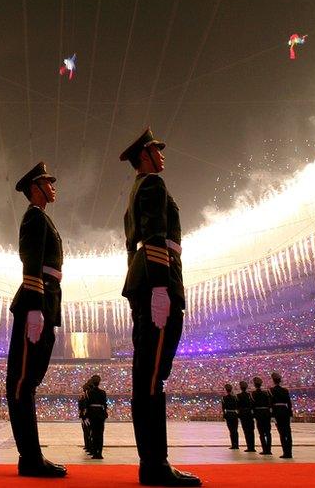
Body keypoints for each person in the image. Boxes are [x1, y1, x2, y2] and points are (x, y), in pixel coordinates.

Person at [119, 128, 200, 487]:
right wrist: (159, 288)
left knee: (148, 376)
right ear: (144, 156)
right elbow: (154, 236)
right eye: (156, 149)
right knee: (151, 377)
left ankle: (152, 462)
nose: (161, 154)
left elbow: (130, 246)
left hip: (146, 278)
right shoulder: (152, 184)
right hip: (157, 278)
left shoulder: (137, 188)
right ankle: (155, 464)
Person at [5, 162, 67, 478]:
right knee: (22, 380)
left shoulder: (43, 218)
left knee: (29, 379)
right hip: (37, 300)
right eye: (47, 182)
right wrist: (34, 308)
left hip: (45, 299)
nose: (53, 186)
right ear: (35, 188)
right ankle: (29, 457)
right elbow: (31, 262)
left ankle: (31, 455)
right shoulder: (34, 216)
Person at [270, 371, 293, 459]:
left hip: (277, 412)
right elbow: (289, 403)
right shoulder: (285, 390)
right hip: (285, 411)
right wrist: (290, 414)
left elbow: (271, 404)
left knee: (282, 433)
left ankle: (285, 452)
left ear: (273, 381)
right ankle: (289, 452)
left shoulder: (271, 390)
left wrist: (272, 416)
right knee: (288, 432)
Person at [85, 374, 108, 459]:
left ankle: (95, 453)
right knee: (100, 434)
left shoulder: (89, 393)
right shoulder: (103, 392)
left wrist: (87, 415)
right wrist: (105, 413)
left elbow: (87, 405)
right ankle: (100, 453)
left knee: (94, 434)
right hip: (101, 414)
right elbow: (105, 404)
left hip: (92, 414)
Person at [252, 376, 273, 455]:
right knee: (268, 432)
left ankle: (264, 449)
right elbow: (270, 403)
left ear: (255, 385)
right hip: (266, 413)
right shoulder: (266, 393)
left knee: (261, 433)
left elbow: (253, 405)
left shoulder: (253, 393)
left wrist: (254, 415)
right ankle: (269, 449)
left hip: (259, 414)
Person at [236, 380, 256, 453]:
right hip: (250, 414)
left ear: (241, 388)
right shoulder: (250, 395)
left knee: (246, 431)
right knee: (251, 431)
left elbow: (237, 406)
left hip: (243, 414)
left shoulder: (238, 396)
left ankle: (249, 446)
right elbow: (253, 404)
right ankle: (252, 447)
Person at [221, 383, 239, 450]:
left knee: (231, 430)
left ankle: (233, 444)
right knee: (235, 430)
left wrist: (224, 415)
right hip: (234, 414)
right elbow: (237, 406)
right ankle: (236, 444)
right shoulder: (235, 397)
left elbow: (223, 408)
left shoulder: (224, 398)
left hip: (228, 414)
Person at [79, 380, 92, 454]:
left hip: (87, 416)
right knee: (87, 432)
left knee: (88, 432)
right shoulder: (84, 397)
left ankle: (89, 446)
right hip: (85, 416)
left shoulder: (86, 397)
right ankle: (88, 446)